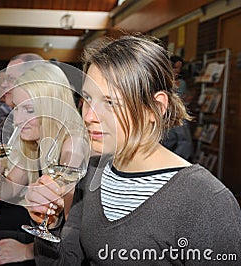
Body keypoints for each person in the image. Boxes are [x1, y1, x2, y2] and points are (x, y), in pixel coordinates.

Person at [25, 35, 241, 265]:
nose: (88, 116)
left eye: (110, 103)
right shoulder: (93, 171)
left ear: (155, 108)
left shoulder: (206, 202)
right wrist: (49, 223)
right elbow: (67, 261)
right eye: (87, 99)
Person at [0, 61, 87, 265]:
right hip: (44, 237)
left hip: (61, 250)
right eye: (15, 109)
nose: (17, 120)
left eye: (28, 110)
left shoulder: (72, 148)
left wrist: (29, 251)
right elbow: (9, 190)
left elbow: (74, 234)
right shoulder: (33, 138)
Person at [162, 55, 194, 160]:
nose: (178, 71)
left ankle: (178, 162)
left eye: (180, 68)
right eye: (175, 67)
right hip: (167, 115)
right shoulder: (163, 82)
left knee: (184, 140)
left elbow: (186, 97)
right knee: (168, 140)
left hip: (180, 114)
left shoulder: (183, 83)